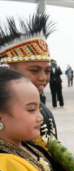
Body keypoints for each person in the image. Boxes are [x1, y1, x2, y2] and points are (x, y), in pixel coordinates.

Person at [0, 13, 58, 151]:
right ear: (8, 71)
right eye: (34, 70)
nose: (43, 77)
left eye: (47, 71)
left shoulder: (44, 109)